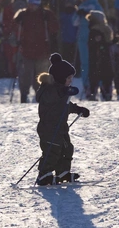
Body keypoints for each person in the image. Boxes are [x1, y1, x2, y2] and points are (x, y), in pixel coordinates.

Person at [35, 53, 89, 186]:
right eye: (68, 78)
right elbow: (49, 98)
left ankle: (62, 172)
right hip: (49, 128)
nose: (71, 81)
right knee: (52, 151)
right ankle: (44, 175)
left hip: (60, 128)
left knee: (66, 149)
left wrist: (79, 110)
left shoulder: (62, 91)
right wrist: (62, 92)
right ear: (60, 78)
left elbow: (66, 106)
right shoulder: (49, 90)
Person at [13, 0, 59, 103]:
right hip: (27, 51)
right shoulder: (23, 15)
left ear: (38, 4)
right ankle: (24, 96)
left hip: (42, 51)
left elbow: (54, 28)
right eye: (29, 4)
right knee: (25, 76)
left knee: (41, 76)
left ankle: (42, 96)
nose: (31, 6)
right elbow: (14, 27)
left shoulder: (45, 15)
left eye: (33, 4)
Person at [73, 0, 103, 98]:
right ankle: (86, 85)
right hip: (82, 38)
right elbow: (74, 23)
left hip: (94, 37)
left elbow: (100, 19)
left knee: (95, 62)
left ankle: (97, 85)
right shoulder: (81, 6)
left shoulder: (95, 5)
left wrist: (86, 14)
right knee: (85, 62)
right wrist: (78, 14)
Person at [87, 10, 114, 101]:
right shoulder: (106, 29)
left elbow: (94, 43)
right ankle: (107, 92)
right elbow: (109, 42)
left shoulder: (94, 30)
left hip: (96, 55)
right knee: (106, 74)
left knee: (95, 74)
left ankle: (93, 92)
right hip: (106, 55)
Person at [0, 0, 17, 78]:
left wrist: (5, 30)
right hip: (3, 35)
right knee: (3, 54)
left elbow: (11, 22)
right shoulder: (0, 8)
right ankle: (5, 72)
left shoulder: (8, 8)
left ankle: (12, 73)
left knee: (10, 55)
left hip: (8, 35)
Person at [59, 0, 78, 64]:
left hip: (74, 39)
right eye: (67, 3)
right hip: (64, 39)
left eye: (70, 3)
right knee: (65, 56)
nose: (68, 5)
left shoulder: (76, 14)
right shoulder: (62, 14)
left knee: (72, 57)